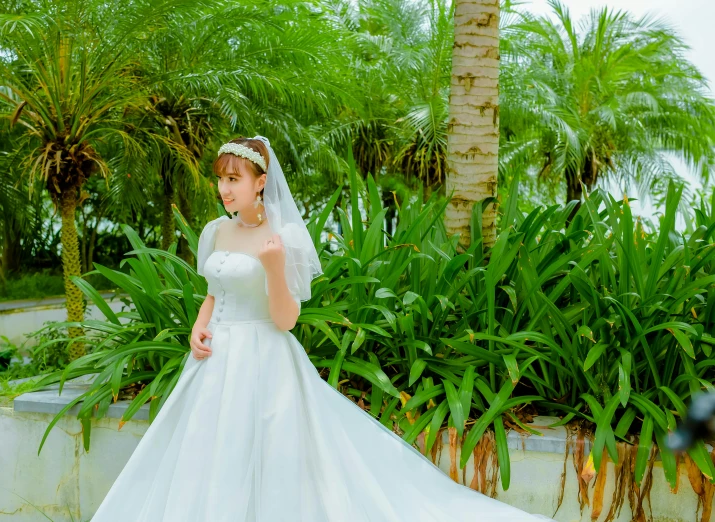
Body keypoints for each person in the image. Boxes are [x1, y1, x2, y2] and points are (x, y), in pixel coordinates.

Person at [89, 136, 555, 521]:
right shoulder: (216, 230)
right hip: (214, 360)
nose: (224, 188)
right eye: (221, 179)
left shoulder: (283, 238)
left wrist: (273, 267)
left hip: (264, 358)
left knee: (271, 455)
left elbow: (286, 320)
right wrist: (199, 324)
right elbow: (213, 290)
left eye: (234, 179)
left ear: (260, 183)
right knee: (208, 453)